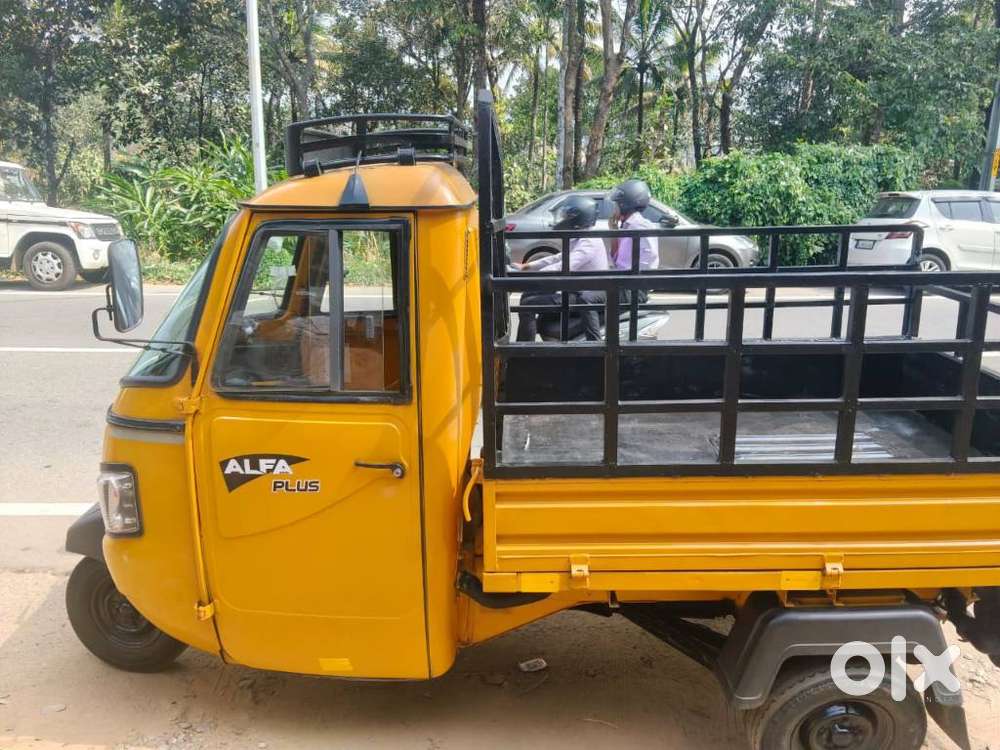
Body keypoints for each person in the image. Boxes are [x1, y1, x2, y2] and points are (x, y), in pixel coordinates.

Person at [513, 195, 607, 341]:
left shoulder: (589, 242)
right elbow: (559, 257)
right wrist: (528, 266)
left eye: (565, 216)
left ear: (577, 218)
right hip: (574, 289)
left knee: (528, 305)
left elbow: (564, 265)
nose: (561, 219)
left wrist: (536, 276)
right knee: (528, 294)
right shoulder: (579, 237)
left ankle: (526, 351)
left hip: (582, 294)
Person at [608, 178, 657, 306]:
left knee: (588, 299)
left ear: (625, 205)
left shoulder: (640, 226)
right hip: (622, 282)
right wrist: (614, 232)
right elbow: (616, 261)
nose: (614, 208)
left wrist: (633, 281)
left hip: (632, 288)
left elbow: (649, 261)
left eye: (617, 204)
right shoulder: (627, 226)